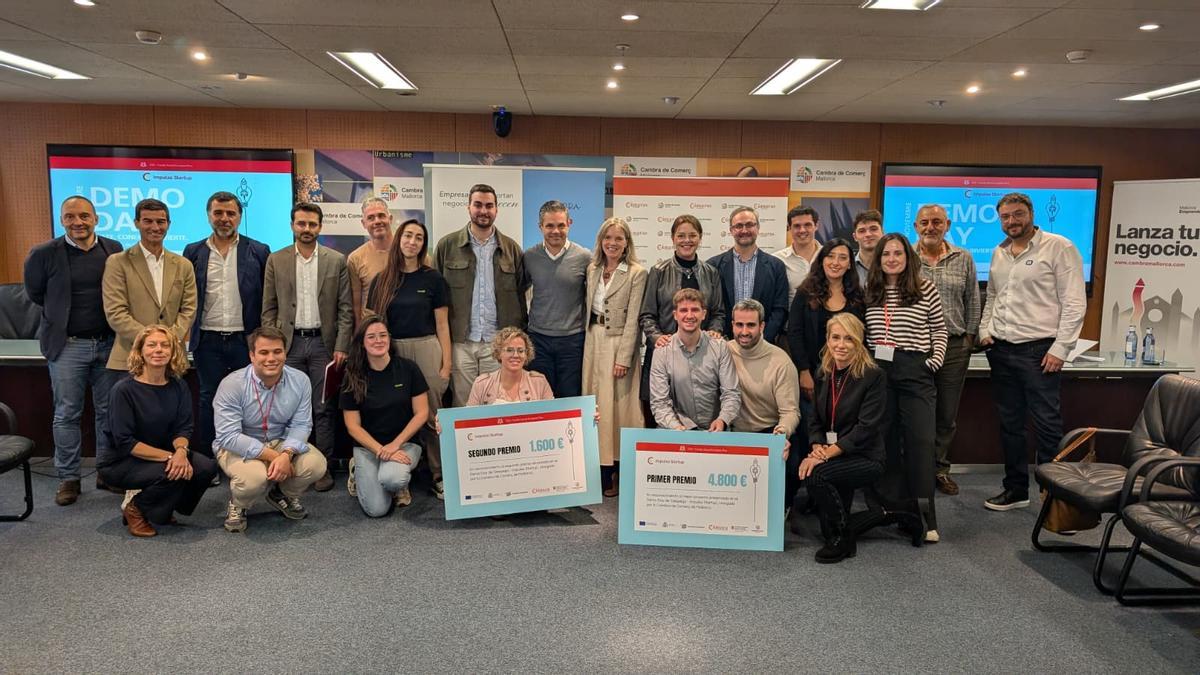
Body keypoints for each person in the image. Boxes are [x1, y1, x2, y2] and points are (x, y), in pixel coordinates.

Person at [979, 192, 1086, 511]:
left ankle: (1055, 498)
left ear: (1031, 214)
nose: (1011, 221)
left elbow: (1074, 302)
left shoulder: (1059, 246)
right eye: (1005, 217)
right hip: (1001, 349)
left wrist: (1061, 348)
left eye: (1018, 214)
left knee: (1047, 426)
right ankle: (1016, 489)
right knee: (1010, 424)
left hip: (1040, 351)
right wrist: (985, 330)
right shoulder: (999, 253)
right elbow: (994, 296)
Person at [24, 195, 124, 505]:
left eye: (83, 216)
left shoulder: (113, 249)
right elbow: (36, 293)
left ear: (96, 218)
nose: (77, 222)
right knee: (67, 414)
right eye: (70, 217)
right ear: (62, 220)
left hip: (108, 344)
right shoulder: (43, 253)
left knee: (109, 413)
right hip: (68, 346)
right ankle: (68, 478)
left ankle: (106, 473)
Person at [261, 202, 353, 492]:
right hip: (288, 345)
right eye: (301, 224)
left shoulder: (336, 260)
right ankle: (285, 465)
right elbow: (269, 308)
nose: (307, 229)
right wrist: (274, 346)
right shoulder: (276, 260)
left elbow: (345, 309)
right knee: (286, 409)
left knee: (323, 408)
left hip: (324, 347)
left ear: (320, 227)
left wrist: (341, 345)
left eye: (312, 224)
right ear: (292, 226)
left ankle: (321, 468)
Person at [864, 233, 948, 542]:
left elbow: (939, 328)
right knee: (884, 442)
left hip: (916, 368)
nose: (891, 259)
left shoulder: (924, 288)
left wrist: (934, 360)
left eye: (898, 253)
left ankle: (925, 519)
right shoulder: (870, 290)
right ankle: (891, 511)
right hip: (880, 371)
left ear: (907, 257)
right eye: (886, 254)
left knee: (920, 443)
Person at [99, 325, 217, 537]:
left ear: (173, 352)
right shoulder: (123, 390)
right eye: (151, 345)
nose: (159, 350)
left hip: (163, 454)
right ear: (140, 351)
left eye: (165, 345)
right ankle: (135, 508)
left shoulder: (178, 385)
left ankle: (161, 508)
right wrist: (172, 457)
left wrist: (181, 452)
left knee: (206, 468)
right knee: (175, 472)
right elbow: (125, 442)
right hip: (121, 461)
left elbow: (184, 427)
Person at [182, 191, 270, 469]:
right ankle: (210, 460)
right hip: (207, 339)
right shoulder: (193, 251)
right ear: (209, 215)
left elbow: (267, 298)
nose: (224, 218)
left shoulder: (258, 250)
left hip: (245, 340)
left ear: (239, 217)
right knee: (209, 398)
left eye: (230, 213)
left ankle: (247, 455)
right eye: (218, 213)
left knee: (250, 400)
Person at [212, 326, 328, 533]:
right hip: (239, 444)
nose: (271, 358)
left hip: (280, 441)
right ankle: (239, 504)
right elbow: (228, 436)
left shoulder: (300, 380)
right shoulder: (232, 384)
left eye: (277, 351)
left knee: (316, 465)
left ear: (285, 352)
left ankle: (282, 494)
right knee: (253, 479)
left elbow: (301, 424)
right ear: (251, 355)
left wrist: (286, 453)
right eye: (264, 352)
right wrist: (275, 456)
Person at [366, 218, 451, 500]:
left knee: (432, 414)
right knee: (400, 412)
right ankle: (400, 477)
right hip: (393, 351)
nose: (412, 241)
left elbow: (442, 325)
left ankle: (439, 475)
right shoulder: (383, 279)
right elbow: (374, 323)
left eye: (418, 237)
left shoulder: (433, 278)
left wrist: (446, 363)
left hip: (427, 348)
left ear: (423, 244)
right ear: (399, 239)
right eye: (408, 236)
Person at [799, 313, 887, 563]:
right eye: (835, 337)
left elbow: (866, 428)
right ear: (827, 339)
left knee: (816, 476)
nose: (841, 344)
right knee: (823, 521)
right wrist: (817, 446)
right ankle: (885, 512)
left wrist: (825, 455)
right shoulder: (824, 372)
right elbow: (814, 418)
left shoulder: (873, 375)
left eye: (848, 338)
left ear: (859, 341)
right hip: (833, 453)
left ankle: (843, 540)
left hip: (865, 456)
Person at [432, 184, 527, 407]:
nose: (483, 210)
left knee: (496, 404)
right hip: (460, 343)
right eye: (478, 205)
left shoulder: (511, 249)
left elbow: (521, 296)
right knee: (463, 404)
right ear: (468, 207)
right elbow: (435, 297)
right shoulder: (447, 245)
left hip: (497, 342)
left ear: (497, 210)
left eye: (489, 206)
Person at [914, 204, 981, 496]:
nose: (930, 227)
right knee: (916, 412)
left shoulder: (963, 257)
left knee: (945, 414)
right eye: (925, 222)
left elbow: (973, 300)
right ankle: (915, 470)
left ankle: (939, 470)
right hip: (915, 347)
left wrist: (968, 338)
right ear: (916, 226)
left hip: (954, 347)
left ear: (948, 224)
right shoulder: (906, 257)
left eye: (937, 222)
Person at [582, 217, 647, 497]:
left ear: (627, 243)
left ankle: (617, 468)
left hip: (619, 343)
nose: (613, 243)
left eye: (619, 238)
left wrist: (624, 357)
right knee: (596, 403)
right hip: (592, 339)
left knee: (619, 407)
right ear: (601, 241)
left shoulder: (636, 273)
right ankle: (598, 466)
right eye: (608, 237)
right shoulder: (592, 268)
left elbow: (634, 319)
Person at [340, 316, 430, 517]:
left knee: (392, 478)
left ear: (389, 339)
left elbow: (422, 413)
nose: (378, 341)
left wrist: (395, 444)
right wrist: (381, 450)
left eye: (382, 335)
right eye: (371, 337)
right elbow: (352, 426)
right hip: (368, 448)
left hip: (404, 444)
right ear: (362, 344)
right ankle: (358, 471)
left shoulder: (408, 369)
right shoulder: (353, 376)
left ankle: (397, 481)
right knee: (376, 510)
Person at [639, 214, 725, 412]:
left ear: (700, 238)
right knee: (661, 413)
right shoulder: (658, 271)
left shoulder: (711, 272)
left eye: (692, 235)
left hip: (702, 355)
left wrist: (714, 331)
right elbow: (647, 314)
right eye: (681, 236)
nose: (687, 240)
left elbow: (719, 312)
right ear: (673, 238)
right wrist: (657, 338)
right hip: (665, 353)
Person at [101, 198, 197, 371]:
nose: (155, 227)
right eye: (148, 221)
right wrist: (151, 342)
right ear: (136, 223)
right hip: (130, 358)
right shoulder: (118, 263)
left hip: (172, 359)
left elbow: (189, 309)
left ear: (169, 224)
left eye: (160, 222)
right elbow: (116, 312)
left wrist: (167, 342)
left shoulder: (184, 265)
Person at [726, 299, 801, 506]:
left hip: (768, 433)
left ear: (762, 326)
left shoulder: (781, 361)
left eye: (751, 325)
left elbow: (790, 411)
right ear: (732, 325)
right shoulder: (722, 351)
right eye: (739, 325)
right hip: (731, 433)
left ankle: (783, 510)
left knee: (792, 466)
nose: (744, 331)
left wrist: (782, 433)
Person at [787, 239, 866, 414]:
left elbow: (862, 337)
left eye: (843, 258)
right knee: (813, 424)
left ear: (849, 265)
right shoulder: (805, 293)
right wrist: (804, 371)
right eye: (830, 256)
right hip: (813, 373)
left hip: (849, 374)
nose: (836, 263)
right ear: (822, 260)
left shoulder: (858, 296)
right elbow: (794, 332)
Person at [524, 200, 591, 398]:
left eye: (561, 225)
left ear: (569, 223)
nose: (556, 230)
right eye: (550, 225)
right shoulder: (529, 257)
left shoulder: (585, 257)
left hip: (572, 341)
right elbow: (520, 289)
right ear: (540, 227)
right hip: (538, 340)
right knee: (540, 398)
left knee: (570, 398)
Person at [649, 288, 740, 431]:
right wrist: (676, 427)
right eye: (684, 310)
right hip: (677, 428)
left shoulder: (719, 347)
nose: (689, 315)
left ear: (703, 314)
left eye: (695, 310)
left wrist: (723, 420)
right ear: (675, 315)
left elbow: (731, 393)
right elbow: (659, 403)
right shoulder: (662, 352)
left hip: (715, 429)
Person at [708, 206, 788, 342]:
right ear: (731, 230)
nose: (744, 230)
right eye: (739, 226)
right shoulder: (713, 266)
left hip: (763, 345)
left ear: (758, 228)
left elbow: (780, 309)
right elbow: (711, 308)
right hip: (724, 344)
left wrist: (763, 339)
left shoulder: (776, 266)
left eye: (750, 225)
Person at [466, 327, 554, 405]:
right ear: (499, 353)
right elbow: (469, 420)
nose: (515, 355)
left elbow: (552, 417)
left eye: (520, 351)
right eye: (509, 350)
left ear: (526, 354)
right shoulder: (481, 384)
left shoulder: (539, 382)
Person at [348, 196, 394, 327]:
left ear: (390, 219)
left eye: (381, 216)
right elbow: (356, 305)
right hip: (373, 332)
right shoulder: (355, 258)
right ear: (363, 223)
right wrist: (358, 334)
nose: (377, 221)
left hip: (406, 329)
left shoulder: (410, 252)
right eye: (371, 218)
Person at [773, 205, 822, 306]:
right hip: (790, 321)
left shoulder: (829, 256)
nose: (802, 230)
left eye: (807, 225)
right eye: (797, 226)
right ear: (789, 228)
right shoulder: (776, 260)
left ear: (816, 225)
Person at [852, 209, 883, 285]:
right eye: (862, 231)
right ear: (855, 237)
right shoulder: (847, 266)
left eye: (873, 229)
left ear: (882, 232)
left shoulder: (892, 264)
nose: (868, 234)